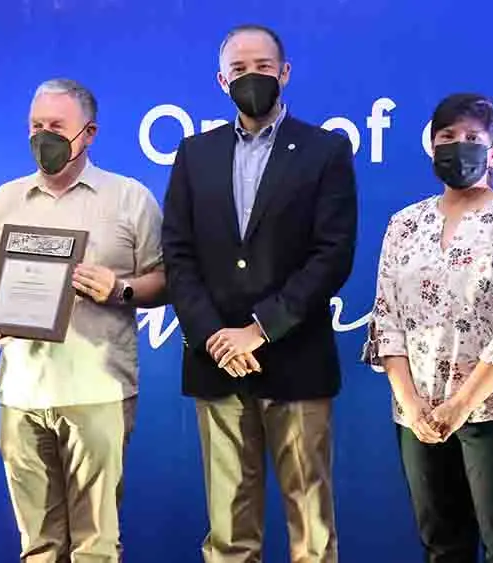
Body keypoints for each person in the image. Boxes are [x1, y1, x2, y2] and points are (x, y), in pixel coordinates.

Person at [161, 24, 358, 563]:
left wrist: (260, 330)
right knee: (229, 530)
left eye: (264, 67)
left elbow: (332, 255)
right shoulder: (195, 154)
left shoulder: (325, 151)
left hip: (297, 361)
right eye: (240, 69)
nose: (252, 78)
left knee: (311, 529)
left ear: (285, 73)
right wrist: (215, 337)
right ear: (222, 79)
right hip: (217, 364)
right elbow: (176, 255)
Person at [0, 78, 167, 563]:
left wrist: (120, 288)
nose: (43, 136)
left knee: (97, 545)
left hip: (97, 392)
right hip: (21, 395)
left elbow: (164, 281)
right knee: (38, 545)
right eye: (36, 126)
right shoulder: (6, 199)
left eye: (56, 126)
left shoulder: (130, 198)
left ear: (90, 133)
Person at [362, 93, 493, 563]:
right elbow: (386, 320)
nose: (458, 146)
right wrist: (413, 406)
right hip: (419, 417)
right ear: (431, 145)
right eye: (447, 136)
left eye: (472, 138)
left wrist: (461, 405)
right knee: (442, 548)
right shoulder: (404, 225)